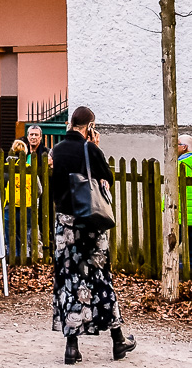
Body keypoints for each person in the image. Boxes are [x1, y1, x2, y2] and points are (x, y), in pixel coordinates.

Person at [50, 106, 136, 364]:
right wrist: (95, 147)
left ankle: (71, 347)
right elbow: (107, 178)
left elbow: (54, 186)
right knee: (100, 279)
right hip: (90, 225)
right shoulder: (90, 149)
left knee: (69, 281)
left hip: (65, 225)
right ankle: (118, 340)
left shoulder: (56, 150)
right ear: (90, 126)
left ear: (70, 123)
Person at [180, 134, 192, 247]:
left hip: (182, 212)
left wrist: (164, 205)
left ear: (184, 147)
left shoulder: (180, 163)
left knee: (171, 245)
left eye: (177, 145)